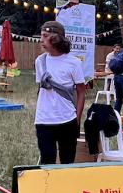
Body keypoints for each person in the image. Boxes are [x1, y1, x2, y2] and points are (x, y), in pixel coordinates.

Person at [34, 21, 87, 164]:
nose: (41, 40)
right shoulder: (40, 61)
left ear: (55, 38)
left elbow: (81, 92)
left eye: (45, 36)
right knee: (47, 161)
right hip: (44, 120)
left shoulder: (73, 62)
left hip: (67, 119)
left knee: (67, 162)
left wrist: (77, 118)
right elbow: (42, 88)